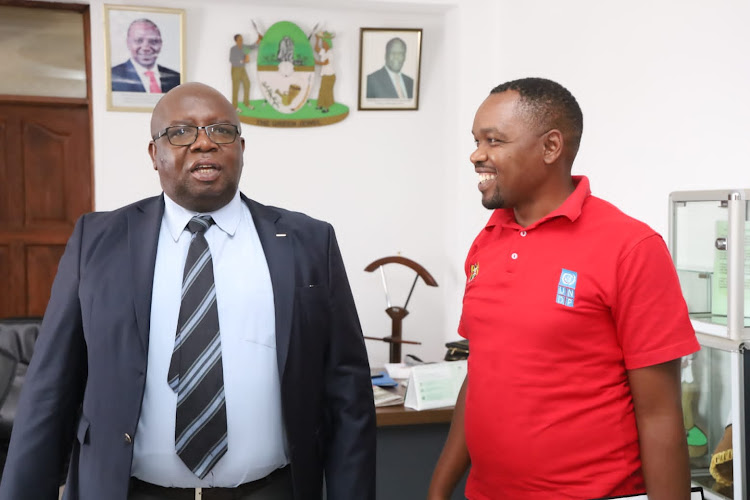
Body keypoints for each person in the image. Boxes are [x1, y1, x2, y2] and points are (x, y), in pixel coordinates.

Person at [0, 82, 376, 500]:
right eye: (181, 132)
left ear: (241, 147)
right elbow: (51, 383)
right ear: (153, 154)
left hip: (270, 490)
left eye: (221, 131)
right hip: (129, 491)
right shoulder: (98, 240)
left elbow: (348, 390)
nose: (203, 144)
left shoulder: (308, 241)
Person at [428, 77, 699, 500]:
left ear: (551, 147)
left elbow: (661, 415)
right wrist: (439, 490)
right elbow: (480, 374)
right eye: (477, 140)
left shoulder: (630, 247)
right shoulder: (487, 241)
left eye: (494, 140)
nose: (477, 155)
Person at [111, 18, 181, 93]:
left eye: (153, 41)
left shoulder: (177, 79)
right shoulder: (113, 76)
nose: (146, 47)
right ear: (128, 43)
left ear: (161, 44)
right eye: (139, 41)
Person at [230, 33, 262, 111]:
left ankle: (246, 103)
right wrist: (243, 61)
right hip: (235, 69)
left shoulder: (244, 47)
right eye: (240, 39)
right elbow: (231, 60)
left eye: (242, 39)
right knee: (236, 88)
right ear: (236, 40)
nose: (242, 40)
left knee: (247, 84)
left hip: (242, 69)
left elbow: (252, 47)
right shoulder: (233, 49)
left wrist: (258, 40)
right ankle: (234, 106)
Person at [314, 31, 336, 113]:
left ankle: (326, 108)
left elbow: (325, 63)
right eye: (322, 42)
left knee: (327, 91)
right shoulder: (324, 51)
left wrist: (316, 62)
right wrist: (317, 39)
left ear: (327, 43)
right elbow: (316, 49)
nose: (322, 44)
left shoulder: (330, 53)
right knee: (322, 90)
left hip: (330, 75)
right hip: (325, 75)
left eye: (323, 42)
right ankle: (320, 105)